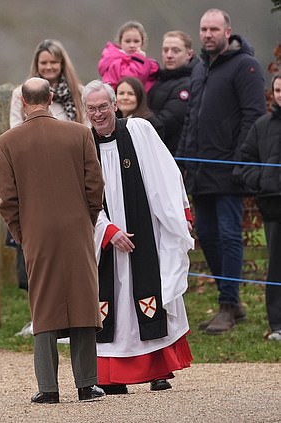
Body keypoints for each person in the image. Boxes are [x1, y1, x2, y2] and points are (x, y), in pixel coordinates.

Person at [0, 77, 106, 403]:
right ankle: (87, 383)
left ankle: (48, 387)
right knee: (84, 302)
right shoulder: (79, 133)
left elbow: (8, 201)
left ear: (24, 103)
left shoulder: (6, 143)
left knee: (43, 305)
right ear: (52, 96)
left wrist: (22, 235)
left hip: (36, 233)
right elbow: (94, 186)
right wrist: (87, 221)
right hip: (77, 229)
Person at [83, 80, 194, 394]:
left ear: (115, 105)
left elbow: (165, 173)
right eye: (91, 109)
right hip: (105, 240)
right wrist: (105, 229)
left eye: (103, 106)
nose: (98, 114)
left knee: (153, 292)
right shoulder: (81, 143)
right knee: (111, 304)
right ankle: (111, 376)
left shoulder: (139, 131)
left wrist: (179, 213)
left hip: (146, 233)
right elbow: (79, 196)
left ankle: (158, 370)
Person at [178, 8, 266, 335]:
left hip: (228, 171)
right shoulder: (200, 68)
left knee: (229, 236)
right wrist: (184, 164)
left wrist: (238, 163)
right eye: (203, 29)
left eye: (214, 29)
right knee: (209, 237)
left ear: (228, 31)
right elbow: (191, 120)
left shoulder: (246, 66)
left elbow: (252, 117)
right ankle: (229, 301)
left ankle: (229, 306)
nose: (208, 34)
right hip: (200, 171)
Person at [9, 39, 85, 338]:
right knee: (36, 254)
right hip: (34, 177)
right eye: (44, 63)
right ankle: (40, 317)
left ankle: (73, 320)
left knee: (70, 254)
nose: (50, 67)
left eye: (54, 62)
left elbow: (84, 131)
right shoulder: (21, 94)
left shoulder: (76, 94)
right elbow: (16, 130)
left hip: (69, 177)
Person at [238, 73, 281, 341]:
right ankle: (277, 324)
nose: (280, 94)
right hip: (273, 206)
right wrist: (262, 181)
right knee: (276, 265)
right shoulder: (262, 126)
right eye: (278, 89)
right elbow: (244, 162)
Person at [148, 30, 198, 155]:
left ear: (189, 54)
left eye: (176, 51)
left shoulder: (190, 83)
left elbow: (166, 122)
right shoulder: (157, 80)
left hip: (171, 156)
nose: (169, 55)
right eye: (165, 50)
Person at [98, 20, 159, 92]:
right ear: (120, 43)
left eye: (136, 41)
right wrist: (139, 60)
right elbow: (131, 81)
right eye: (127, 41)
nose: (132, 45)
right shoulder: (115, 63)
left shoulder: (147, 63)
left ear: (142, 43)